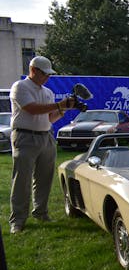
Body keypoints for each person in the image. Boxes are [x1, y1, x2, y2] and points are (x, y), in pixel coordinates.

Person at [9, 56, 75, 234]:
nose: (47, 77)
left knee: (44, 178)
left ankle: (41, 212)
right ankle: (18, 220)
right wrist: (59, 104)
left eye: (49, 74)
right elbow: (31, 109)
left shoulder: (48, 92)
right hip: (25, 136)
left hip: (46, 136)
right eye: (44, 74)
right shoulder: (20, 86)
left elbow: (49, 118)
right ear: (33, 70)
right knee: (22, 180)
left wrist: (63, 109)